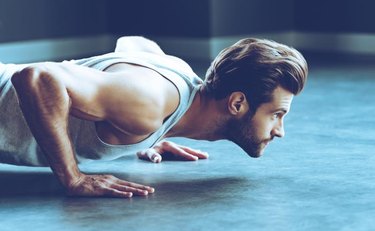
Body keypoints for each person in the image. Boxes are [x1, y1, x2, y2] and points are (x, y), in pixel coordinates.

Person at [0, 36, 308, 198]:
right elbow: (36, 78)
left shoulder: (175, 81)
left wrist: (150, 134)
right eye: (276, 115)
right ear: (237, 103)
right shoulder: (148, 104)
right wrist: (73, 177)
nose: (279, 130)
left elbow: (134, 43)